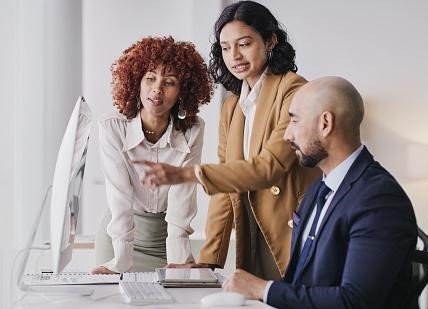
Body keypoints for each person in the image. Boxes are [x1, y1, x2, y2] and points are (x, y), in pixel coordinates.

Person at [135, 1, 320, 280]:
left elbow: (271, 166)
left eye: (244, 44)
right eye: (225, 47)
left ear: (270, 41)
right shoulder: (232, 107)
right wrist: (209, 260)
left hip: (290, 231)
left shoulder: (293, 89)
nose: (234, 55)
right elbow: (225, 189)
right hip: (252, 233)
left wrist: (190, 174)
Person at [221, 76, 418, 309]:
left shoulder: (379, 200)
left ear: (325, 123)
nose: (287, 136)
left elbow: (354, 302)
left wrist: (262, 288)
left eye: (294, 121)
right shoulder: (318, 189)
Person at [92, 36, 213, 274]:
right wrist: (120, 263)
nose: (157, 89)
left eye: (169, 82)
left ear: (182, 91)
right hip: (118, 238)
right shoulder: (112, 127)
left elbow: (183, 196)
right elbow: (119, 197)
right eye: (150, 78)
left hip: (164, 241)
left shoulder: (193, 130)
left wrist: (178, 258)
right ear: (136, 81)